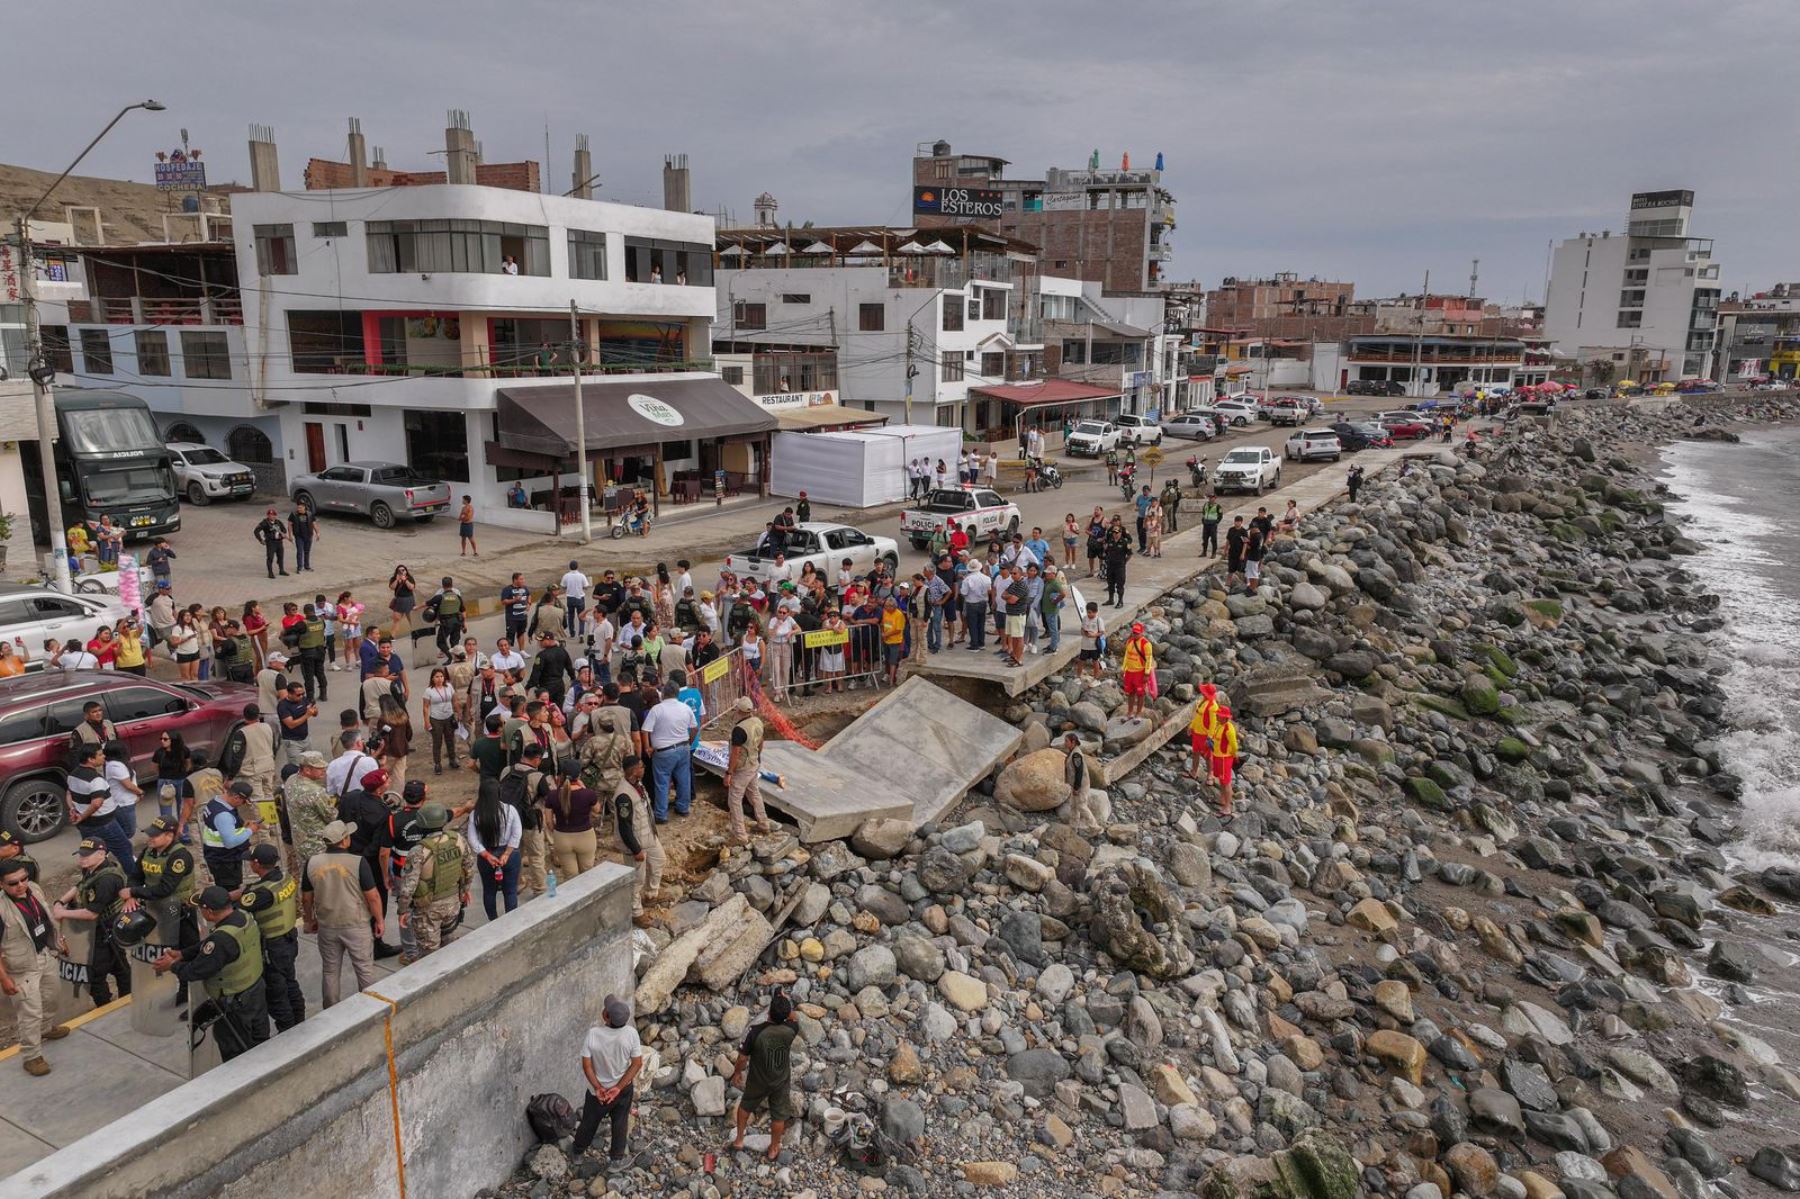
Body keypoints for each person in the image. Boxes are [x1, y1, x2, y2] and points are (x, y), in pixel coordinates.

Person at [151, 885, 270, 1060]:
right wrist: (183, 954)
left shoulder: (221, 940)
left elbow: (196, 971)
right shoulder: (242, 917)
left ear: (209, 912)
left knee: (235, 1051)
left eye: (201, 907)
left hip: (234, 1004)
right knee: (260, 1040)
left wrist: (172, 966)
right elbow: (208, 944)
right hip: (255, 990)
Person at [0, 860, 70, 1077]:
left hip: (44, 955)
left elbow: (47, 921)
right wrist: (4, 978)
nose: (21, 885)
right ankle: (32, 1056)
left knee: (52, 997)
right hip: (22, 968)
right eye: (13, 883)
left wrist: (58, 942)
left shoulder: (35, 890)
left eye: (24, 879)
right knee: (30, 1012)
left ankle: (46, 1028)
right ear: (1, 885)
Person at [303, 820, 382, 1007]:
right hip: (356, 923)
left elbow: (306, 898)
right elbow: (373, 897)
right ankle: (371, 1008)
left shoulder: (312, 863)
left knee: (330, 970)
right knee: (364, 969)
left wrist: (309, 919)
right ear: (344, 840)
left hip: (327, 925)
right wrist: (379, 920)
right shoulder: (358, 862)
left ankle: (331, 1010)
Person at [52, 839, 131, 1006]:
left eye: (86, 855)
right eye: (80, 855)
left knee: (97, 974)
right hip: (98, 930)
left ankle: (108, 1005)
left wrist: (63, 913)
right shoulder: (92, 869)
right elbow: (81, 885)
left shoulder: (107, 879)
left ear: (101, 854)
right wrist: (60, 901)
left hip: (104, 930)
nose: (82, 859)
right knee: (119, 965)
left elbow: (92, 913)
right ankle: (125, 998)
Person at [237, 843, 305, 1032]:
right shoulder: (284, 878)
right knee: (290, 981)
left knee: (276, 992)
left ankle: (289, 1032)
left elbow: (242, 905)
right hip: (289, 938)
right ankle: (300, 1020)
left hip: (272, 946)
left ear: (257, 864)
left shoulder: (261, 892)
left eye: (251, 861)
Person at [571, 994, 645, 1163]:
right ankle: (616, 1160)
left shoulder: (593, 1034)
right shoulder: (631, 1033)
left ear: (605, 1016)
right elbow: (636, 1064)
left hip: (599, 1093)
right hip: (622, 1089)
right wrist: (618, 1087)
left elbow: (587, 1066)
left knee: (589, 1122)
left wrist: (598, 1087)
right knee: (620, 1123)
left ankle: (577, 1152)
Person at [730, 989, 798, 1161]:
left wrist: (737, 1073)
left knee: (745, 1106)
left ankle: (739, 1139)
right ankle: (774, 1147)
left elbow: (743, 1058)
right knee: (778, 1115)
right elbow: (793, 1016)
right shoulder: (791, 1029)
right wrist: (784, 1003)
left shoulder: (755, 1032)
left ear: (768, 1013)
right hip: (780, 1079)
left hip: (758, 1079)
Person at [397, 803, 470, 958]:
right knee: (450, 949)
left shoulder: (418, 851)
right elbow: (468, 868)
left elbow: (408, 887)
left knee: (429, 957)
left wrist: (403, 910)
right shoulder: (457, 839)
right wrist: (464, 892)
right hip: (453, 903)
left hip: (428, 910)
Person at [67, 741, 135, 868]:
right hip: (104, 824)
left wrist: (73, 809)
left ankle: (94, 875)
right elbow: (97, 803)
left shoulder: (72, 775)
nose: (104, 756)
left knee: (92, 851)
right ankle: (134, 878)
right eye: (100, 755)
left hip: (85, 825)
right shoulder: (96, 780)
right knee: (124, 848)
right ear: (91, 759)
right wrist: (82, 816)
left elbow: (69, 793)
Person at [613, 755, 662, 923]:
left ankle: (651, 894)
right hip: (636, 843)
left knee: (659, 861)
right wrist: (636, 849)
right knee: (637, 879)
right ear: (634, 770)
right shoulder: (624, 796)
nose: (644, 768)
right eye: (641, 766)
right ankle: (636, 912)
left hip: (649, 836)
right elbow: (624, 826)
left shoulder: (638, 785)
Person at [469, 778, 523, 919]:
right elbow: (516, 834)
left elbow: (472, 839)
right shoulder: (510, 810)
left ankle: (493, 921)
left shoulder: (475, 815)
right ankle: (511, 921)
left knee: (489, 891)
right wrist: (506, 854)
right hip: (509, 855)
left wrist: (486, 855)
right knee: (510, 891)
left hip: (487, 855)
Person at [641, 685, 697, 821]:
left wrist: (648, 747)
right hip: (683, 748)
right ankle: (683, 808)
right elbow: (694, 728)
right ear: (677, 693)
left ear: (663, 694)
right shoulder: (685, 708)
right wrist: (689, 742)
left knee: (662, 782)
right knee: (684, 779)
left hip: (663, 751)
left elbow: (645, 730)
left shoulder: (657, 709)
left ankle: (661, 814)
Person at [202, 779, 259, 891]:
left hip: (216, 856)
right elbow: (230, 842)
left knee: (223, 888)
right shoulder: (223, 815)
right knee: (230, 891)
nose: (243, 805)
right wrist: (250, 830)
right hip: (225, 860)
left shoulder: (215, 801)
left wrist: (241, 825)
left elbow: (221, 827)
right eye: (244, 802)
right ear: (236, 797)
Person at [1121, 622, 1154, 723]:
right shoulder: (1129, 641)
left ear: (1142, 633)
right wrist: (1123, 668)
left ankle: (1138, 714)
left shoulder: (1146, 644)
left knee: (1140, 694)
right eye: (1134, 633)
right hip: (1129, 672)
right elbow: (1127, 655)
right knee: (1130, 693)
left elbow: (1149, 659)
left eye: (1137, 633)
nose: (1135, 635)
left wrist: (1147, 673)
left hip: (1139, 672)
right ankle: (1129, 712)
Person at [1210, 704, 1240, 817]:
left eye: (1219, 715)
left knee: (1226, 782)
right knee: (1222, 780)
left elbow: (1234, 746)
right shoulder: (1220, 725)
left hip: (1224, 758)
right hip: (1218, 756)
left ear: (1224, 717)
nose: (1217, 716)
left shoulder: (1229, 729)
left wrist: (1233, 755)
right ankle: (1222, 800)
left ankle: (1227, 806)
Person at [1188, 682, 1222, 779]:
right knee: (1195, 752)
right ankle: (1194, 771)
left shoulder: (1213, 706)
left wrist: (1210, 737)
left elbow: (1213, 724)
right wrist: (1191, 726)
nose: (1202, 694)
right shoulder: (1203, 701)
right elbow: (1197, 716)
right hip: (1197, 733)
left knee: (1208, 756)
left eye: (1204, 693)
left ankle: (1210, 774)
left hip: (1205, 735)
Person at [429, 577, 465, 663]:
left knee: (441, 641)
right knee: (454, 642)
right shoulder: (457, 593)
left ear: (442, 585)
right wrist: (464, 624)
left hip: (446, 622)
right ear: (452, 584)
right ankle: (458, 658)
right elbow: (462, 609)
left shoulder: (439, 593)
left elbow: (433, 606)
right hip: (457, 621)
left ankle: (450, 656)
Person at [1103, 522, 1132, 609]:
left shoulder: (1124, 542)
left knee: (1120, 584)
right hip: (1110, 565)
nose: (1115, 534)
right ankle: (1111, 599)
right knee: (1110, 583)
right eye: (1114, 533)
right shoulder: (1110, 541)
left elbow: (1129, 554)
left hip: (1119, 566)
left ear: (1120, 533)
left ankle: (1120, 601)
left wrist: (1124, 562)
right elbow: (1107, 551)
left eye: (1117, 533)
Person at [254, 507, 289, 578]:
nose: (271, 516)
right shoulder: (264, 523)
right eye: (270, 515)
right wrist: (261, 540)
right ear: (267, 515)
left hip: (279, 542)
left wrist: (282, 535)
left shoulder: (278, 522)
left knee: (280, 557)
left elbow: (284, 530)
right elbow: (256, 531)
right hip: (271, 543)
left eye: (273, 515)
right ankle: (270, 573)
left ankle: (281, 570)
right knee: (270, 557)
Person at [288, 498, 320, 573]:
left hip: (308, 535)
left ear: (304, 507)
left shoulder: (309, 514)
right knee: (299, 551)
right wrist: (290, 535)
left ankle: (307, 566)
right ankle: (299, 567)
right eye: (298, 507)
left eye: (301, 507)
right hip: (299, 536)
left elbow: (314, 524)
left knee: (307, 551)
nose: (299, 508)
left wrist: (317, 533)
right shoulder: (294, 514)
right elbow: (289, 525)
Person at [561, 561, 591, 636]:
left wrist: (568, 588)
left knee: (571, 616)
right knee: (581, 615)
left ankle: (572, 632)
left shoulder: (566, 576)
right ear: (577, 566)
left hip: (570, 597)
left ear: (569, 567)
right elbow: (586, 586)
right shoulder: (581, 576)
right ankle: (581, 633)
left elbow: (563, 586)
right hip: (580, 597)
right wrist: (582, 587)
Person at [388, 565, 418, 636]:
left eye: (403, 570)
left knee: (412, 619)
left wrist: (405, 580)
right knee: (396, 620)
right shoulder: (394, 578)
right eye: (399, 570)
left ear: (406, 571)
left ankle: (416, 633)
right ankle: (392, 638)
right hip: (399, 600)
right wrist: (397, 580)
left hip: (409, 600)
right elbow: (392, 587)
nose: (402, 571)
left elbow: (411, 588)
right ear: (396, 572)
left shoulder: (409, 578)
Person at [1224, 516, 1248, 582]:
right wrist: (1225, 550)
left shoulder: (1243, 531)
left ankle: (1242, 582)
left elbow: (1245, 543)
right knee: (1231, 568)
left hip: (1239, 552)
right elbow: (1228, 541)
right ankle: (1228, 582)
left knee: (1240, 568)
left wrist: (1243, 554)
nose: (1237, 523)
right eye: (1236, 522)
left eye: (1238, 522)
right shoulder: (1231, 530)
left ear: (1241, 522)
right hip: (1232, 552)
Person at [1244, 525, 1265, 595]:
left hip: (1253, 556)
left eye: (1251, 529)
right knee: (1252, 573)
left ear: (1255, 528)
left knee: (1254, 574)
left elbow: (1250, 546)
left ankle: (1253, 589)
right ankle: (1251, 587)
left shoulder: (1255, 536)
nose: (1250, 531)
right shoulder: (1261, 535)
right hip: (1257, 556)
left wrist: (1246, 541)